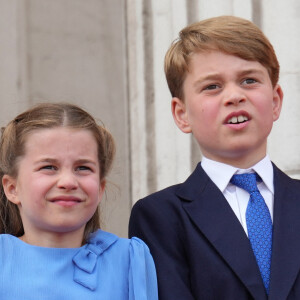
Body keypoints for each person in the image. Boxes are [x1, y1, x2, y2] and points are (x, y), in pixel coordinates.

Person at [129, 16, 300, 300]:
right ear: (181, 114)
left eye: (249, 80)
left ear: (275, 101)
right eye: (212, 86)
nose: (234, 96)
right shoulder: (161, 217)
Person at [0, 103, 158, 300]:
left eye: (83, 168)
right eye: (49, 167)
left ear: (100, 188)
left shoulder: (129, 261)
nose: (68, 182)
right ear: (12, 188)